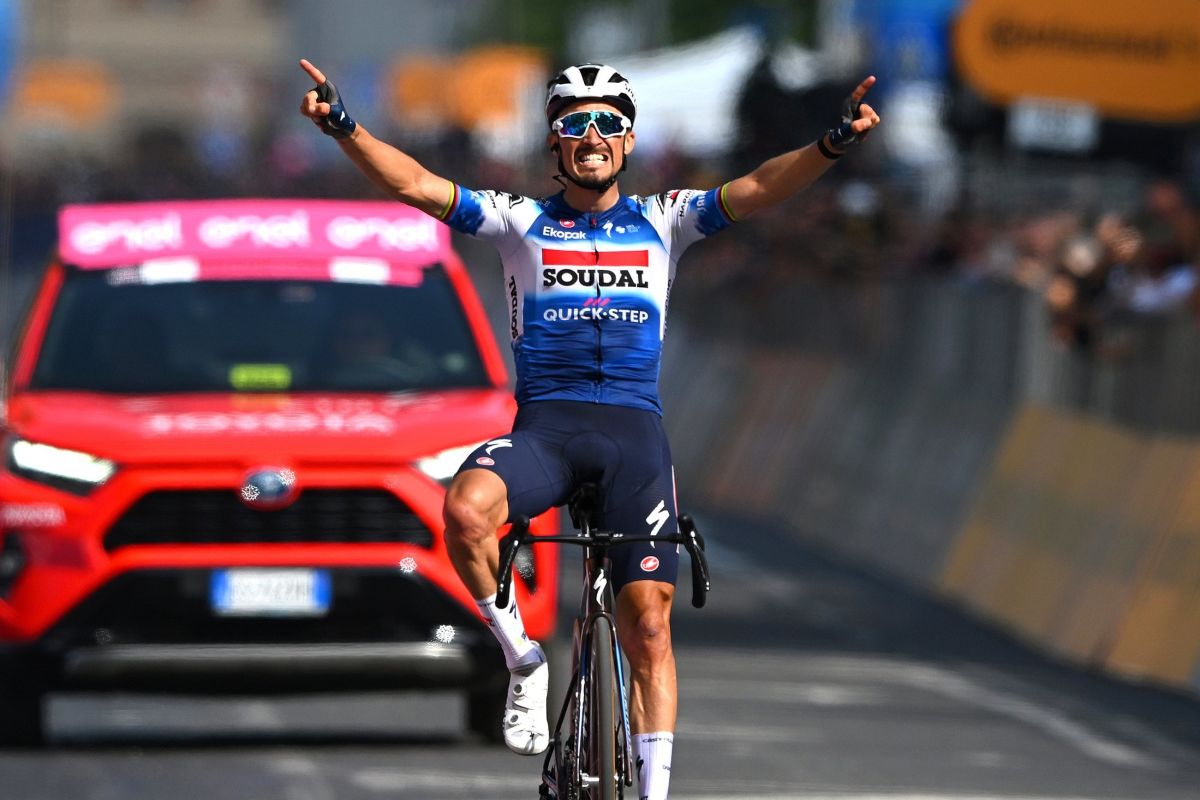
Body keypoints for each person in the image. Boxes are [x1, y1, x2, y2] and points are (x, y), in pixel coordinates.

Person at [300, 58, 880, 800]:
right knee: (466, 512)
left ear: (629, 142)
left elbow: (762, 187)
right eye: (575, 122)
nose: (593, 134)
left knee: (650, 628)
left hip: (634, 439)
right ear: (555, 143)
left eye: (609, 121)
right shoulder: (520, 221)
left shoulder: (666, 218)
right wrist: (345, 127)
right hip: (547, 432)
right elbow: (415, 184)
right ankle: (523, 661)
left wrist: (831, 144)